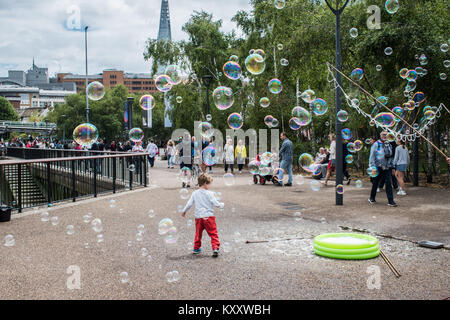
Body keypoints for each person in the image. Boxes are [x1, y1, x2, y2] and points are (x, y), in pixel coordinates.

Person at [181, 174, 224, 257]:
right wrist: (221, 205)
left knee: (198, 233)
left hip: (198, 218)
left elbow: (189, 204)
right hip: (209, 217)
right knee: (213, 233)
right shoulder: (210, 193)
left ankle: (196, 248)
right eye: (209, 184)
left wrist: (184, 211)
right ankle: (215, 248)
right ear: (205, 183)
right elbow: (216, 203)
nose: (210, 186)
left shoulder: (195, 193)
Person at [368, 131, 397, 207]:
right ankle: (372, 197)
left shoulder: (389, 145)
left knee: (388, 183)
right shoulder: (376, 144)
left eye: (386, 135)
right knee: (375, 183)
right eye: (383, 134)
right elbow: (372, 156)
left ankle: (391, 201)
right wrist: (372, 167)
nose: (385, 136)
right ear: (380, 135)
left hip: (387, 167)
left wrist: (393, 167)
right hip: (378, 167)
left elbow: (391, 157)